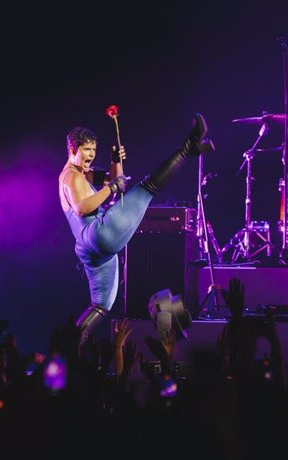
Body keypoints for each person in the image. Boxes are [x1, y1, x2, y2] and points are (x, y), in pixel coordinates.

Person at [59, 114, 214, 342]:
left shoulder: (82, 173)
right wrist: (111, 189)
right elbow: (83, 207)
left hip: (91, 252)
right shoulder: (71, 177)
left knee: (100, 305)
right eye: (86, 150)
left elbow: (119, 184)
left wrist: (115, 162)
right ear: (73, 148)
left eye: (94, 150)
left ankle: (70, 347)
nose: (91, 155)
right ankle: (187, 148)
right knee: (147, 187)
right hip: (98, 235)